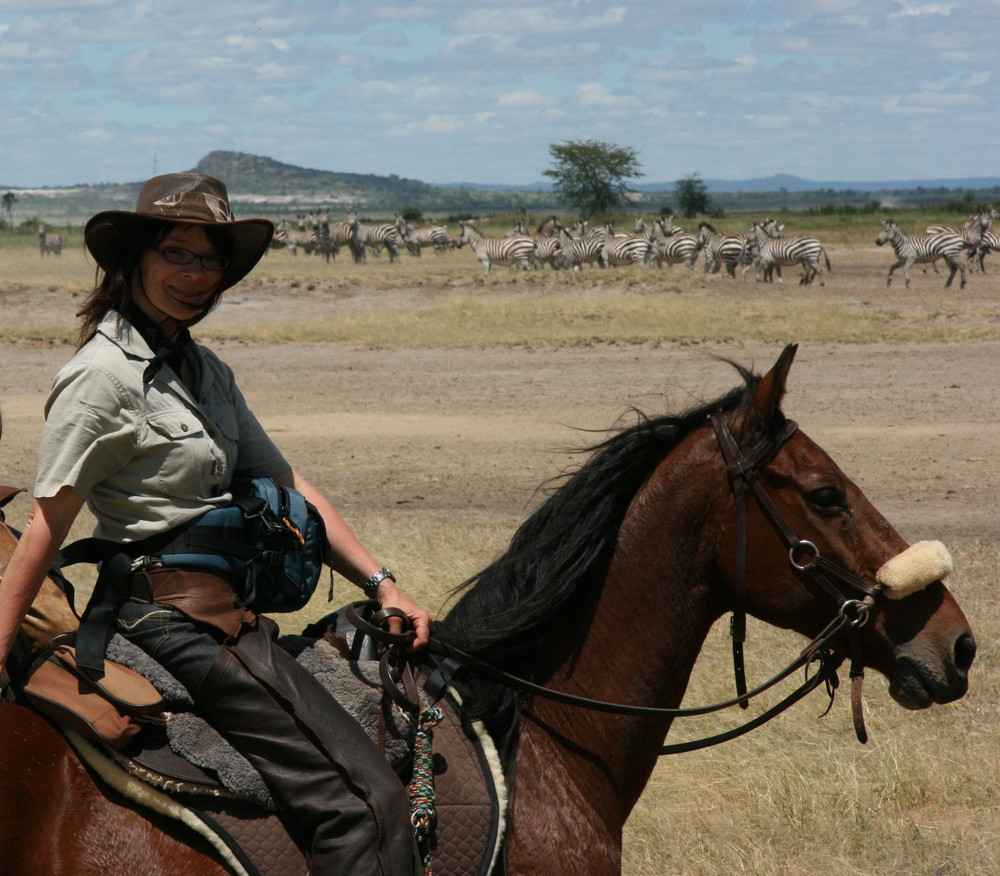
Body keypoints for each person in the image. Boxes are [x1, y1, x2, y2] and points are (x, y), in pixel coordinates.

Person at [0, 173, 429, 875]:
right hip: (167, 617)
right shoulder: (102, 377)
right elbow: (47, 522)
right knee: (366, 803)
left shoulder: (205, 369)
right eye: (176, 253)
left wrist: (385, 585)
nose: (195, 276)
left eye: (209, 262)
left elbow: (289, 484)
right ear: (133, 260)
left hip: (234, 613)